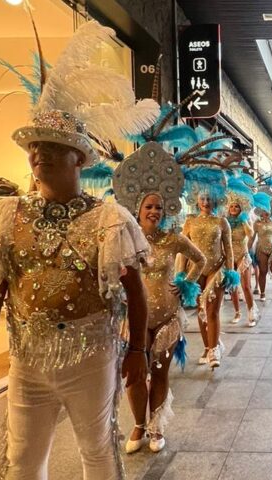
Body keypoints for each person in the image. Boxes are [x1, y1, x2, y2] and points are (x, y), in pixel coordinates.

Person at [0, 21, 158, 479]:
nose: (40, 155)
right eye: (35, 147)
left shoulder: (109, 219)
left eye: (54, 146)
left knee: (96, 451)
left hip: (91, 354)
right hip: (28, 360)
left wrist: (137, 351)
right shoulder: (6, 215)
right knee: (22, 460)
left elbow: (135, 293)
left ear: (78, 157)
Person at [112, 142, 207, 454]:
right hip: (131, 321)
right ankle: (138, 424)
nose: (154, 211)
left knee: (160, 373)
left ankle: (156, 427)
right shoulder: (124, 239)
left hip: (167, 317)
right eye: (148, 206)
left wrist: (186, 284)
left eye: (158, 207)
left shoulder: (172, 239)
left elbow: (201, 260)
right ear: (136, 209)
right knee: (134, 375)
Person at [181, 187, 237, 370]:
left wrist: (230, 271)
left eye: (209, 199)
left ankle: (214, 350)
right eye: (202, 198)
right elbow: (183, 250)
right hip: (196, 269)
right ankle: (207, 347)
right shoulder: (189, 222)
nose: (205, 202)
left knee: (212, 310)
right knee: (201, 310)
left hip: (217, 269)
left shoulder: (222, 222)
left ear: (216, 201)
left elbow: (228, 249)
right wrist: (182, 274)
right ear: (196, 200)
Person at [226, 193, 259, 326]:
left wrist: (243, 219)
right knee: (233, 287)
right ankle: (237, 312)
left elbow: (250, 234)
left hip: (243, 255)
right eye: (231, 206)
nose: (233, 208)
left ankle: (251, 313)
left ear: (241, 209)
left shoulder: (245, 220)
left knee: (246, 286)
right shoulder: (225, 221)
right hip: (229, 257)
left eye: (237, 207)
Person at [253, 208, 272, 301]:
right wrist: (247, 249)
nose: (266, 213)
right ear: (261, 212)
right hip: (261, 249)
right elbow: (252, 238)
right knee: (263, 271)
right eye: (264, 211)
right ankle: (262, 293)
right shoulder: (257, 224)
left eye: (268, 211)